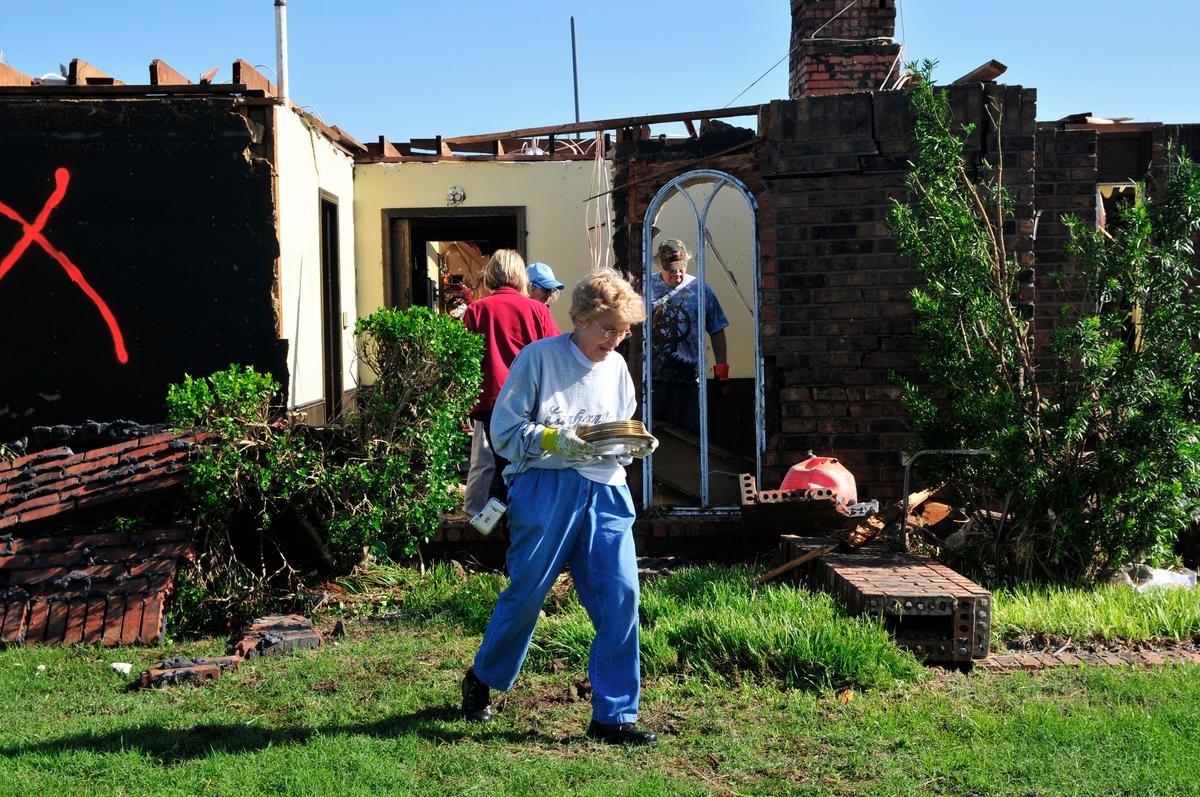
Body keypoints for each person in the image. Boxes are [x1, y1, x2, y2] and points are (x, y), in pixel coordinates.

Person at [461, 269, 659, 746]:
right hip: (545, 488)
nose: (615, 340)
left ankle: (614, 715)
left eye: (624, 330)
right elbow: (505, 432)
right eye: (607, 328)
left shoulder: (616, 368)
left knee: (621, 597)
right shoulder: (540, 359)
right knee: (528, 592)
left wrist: (633, 443)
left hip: (607, 490)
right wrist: (556, 439)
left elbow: (619, 423)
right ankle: (482, 678)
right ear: (580, 319)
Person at [461, 250, 559, 510]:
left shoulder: (476, 310)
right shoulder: (538, 310)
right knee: (527, 466)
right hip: (529, 401)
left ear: (491, 274)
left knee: (497, 465)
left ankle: (498, 524)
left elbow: (467, 360)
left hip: (490, 403)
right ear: (520, 276)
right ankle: (522, 524)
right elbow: (554, 356)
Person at [648, 238, 730, 436]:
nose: (677, 273)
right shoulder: (645, 288)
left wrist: (722, 370)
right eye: (671, 269)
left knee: (693, 433)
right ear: (660, 265)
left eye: (680, 268)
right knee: (651, 433)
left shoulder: (700, 289)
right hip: (653, 379)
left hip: (690, 378)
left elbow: (717, 328)